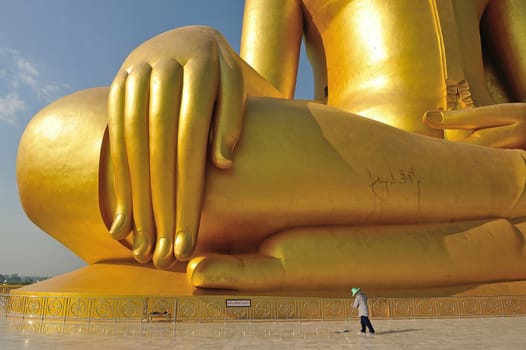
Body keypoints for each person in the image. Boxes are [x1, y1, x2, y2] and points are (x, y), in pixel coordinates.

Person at [16, 0, 526, 291]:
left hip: (488, 145)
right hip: (340, 165)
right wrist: (193, 49)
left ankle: (503, 191)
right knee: (52, 146)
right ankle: (500, 221)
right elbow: (264, 92)